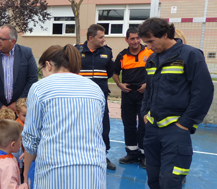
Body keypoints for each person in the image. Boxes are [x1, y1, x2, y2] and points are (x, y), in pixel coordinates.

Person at [138, 18, 214, 189]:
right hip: (152, 129)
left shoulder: (191, 55)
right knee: (153, 179)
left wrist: (185, 123)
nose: (148, 47)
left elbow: (203, 92)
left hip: (176, 130)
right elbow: (148, 91)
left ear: (165, 35)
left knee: (170, 180)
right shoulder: (152, 59)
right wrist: (144, 112)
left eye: (151, 41)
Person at [22, 44, 107, 189]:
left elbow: (31, 139)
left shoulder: (40, 88)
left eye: (41, 70)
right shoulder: (95, 89)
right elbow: (97, 131)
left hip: (55, 172)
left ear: (48, 65)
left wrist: (25, 175)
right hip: (94, 171)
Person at [75, 24, 116, 170]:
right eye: (101, 37)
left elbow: (110, 72)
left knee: (103, 126)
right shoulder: (76, 50)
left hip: (100, 97)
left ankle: (102, 155)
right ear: (91, 38)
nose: (104, 40)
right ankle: (79, 155)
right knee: (79, 126)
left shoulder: (107, 52)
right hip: (80, 97)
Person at [113, 27, 154, 168]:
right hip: (128, 95)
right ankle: (132, 153)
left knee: (144, 125)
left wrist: (147, 85)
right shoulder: (122, 55)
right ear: (127, 40)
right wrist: (119, 84)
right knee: (128, 125)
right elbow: (115, 72)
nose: (136, 41)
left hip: (144, 95)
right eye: (132, 38)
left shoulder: (149, 52)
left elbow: (157, 72)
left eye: (138, 38)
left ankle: (144, 155)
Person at [0, 24, 38, 111]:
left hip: (21, 110)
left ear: (13, 41)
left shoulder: (26, 53)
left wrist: (18, 103)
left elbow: (32, 79)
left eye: (2, 39)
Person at [0, 120, 28, 189]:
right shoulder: (8, 164)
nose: (21, 142)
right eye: (20, 140)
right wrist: (25, 185)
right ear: (13, 144)